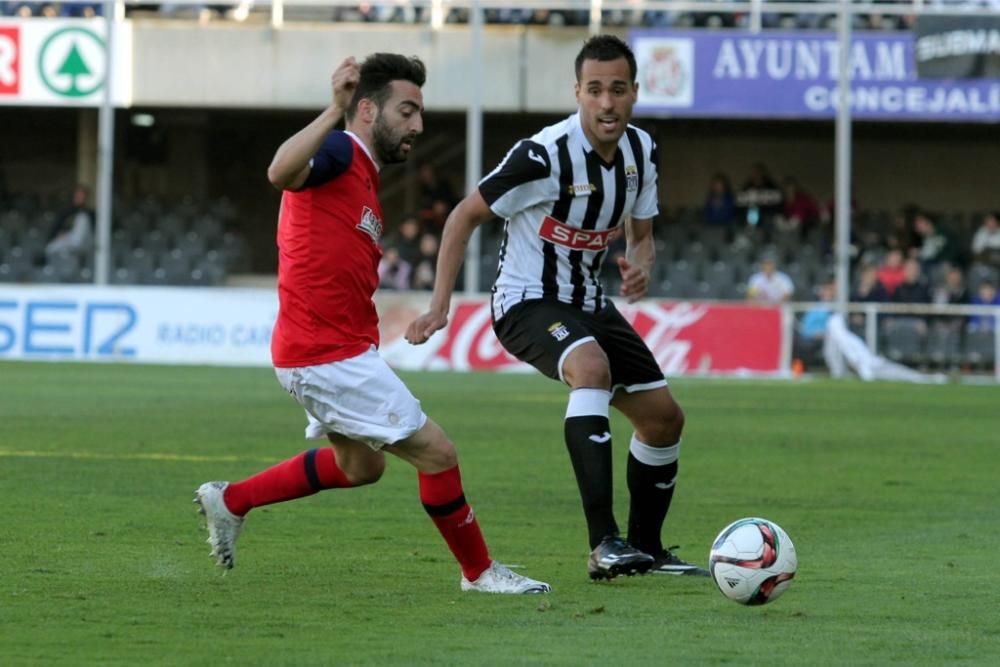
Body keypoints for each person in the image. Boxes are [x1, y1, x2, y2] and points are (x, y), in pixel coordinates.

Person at [194, 54, 550, 595]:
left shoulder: (362, 177)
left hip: (331, 352)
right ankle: (480, 573)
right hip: (325, 354)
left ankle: (232, 500)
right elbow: (279, 172)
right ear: (366, 110)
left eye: (419, 113)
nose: (418, 126)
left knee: (361, 466)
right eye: (407, 111)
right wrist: (332, 110)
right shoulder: (340, 149)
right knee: (438, 453)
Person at [406, 35, 707, 581]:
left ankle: (647, 548)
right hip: (525, 301)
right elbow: (461, 218)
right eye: (595, 90)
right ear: (578, 93)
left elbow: (642, 235)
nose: (607, 103)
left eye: (618, 89)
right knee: (591, 368)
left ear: (635, 93)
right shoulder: (542, 155)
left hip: (590, 303)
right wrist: (439, 307)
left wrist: (641, 262)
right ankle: (603, 544)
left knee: (664, 420)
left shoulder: (642, 152)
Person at [45, 184, 94, 266]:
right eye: (77, 195)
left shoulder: (90, 213)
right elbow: (56, 227)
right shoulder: (66, 211)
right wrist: (60, 234)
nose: (79, 198)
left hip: (84, 242)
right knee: (50, 248)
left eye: (82, 196)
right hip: (67, 239)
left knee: (82, 218)